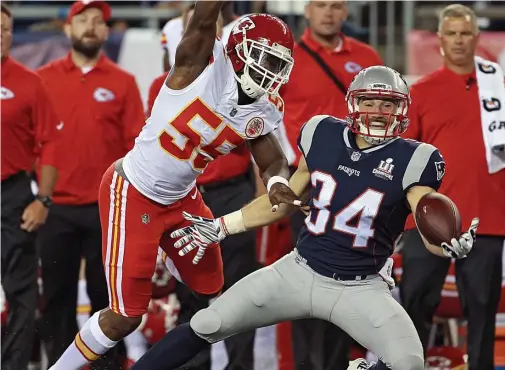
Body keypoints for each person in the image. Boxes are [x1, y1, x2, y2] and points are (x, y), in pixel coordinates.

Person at [131, 65, 480, 370]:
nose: (377, 111)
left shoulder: (415, 158)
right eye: (369, 102)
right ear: (353, 104)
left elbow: (427, 215)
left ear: (401, 110)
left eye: (387, 104)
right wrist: (222, 226)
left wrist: (449, 243)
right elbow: (283, 201)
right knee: (208, 322)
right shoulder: (322, 133)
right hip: (299, 270)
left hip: (360, 286)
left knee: (408, 362)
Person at [48, 2, 299, 369]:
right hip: (134, 192)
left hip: (183, 199)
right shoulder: (199, 65)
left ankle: (163, 248)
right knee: (125, 316)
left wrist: (277, 181)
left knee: (211, 286)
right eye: (265, 58)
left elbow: (272, 157)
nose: (270, 71)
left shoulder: (263, 107)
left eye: (278, 63)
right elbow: (202, 16)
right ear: (239, 49)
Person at [399, 4, 505, 370]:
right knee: (414, 305)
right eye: (451, 33)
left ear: (476, 38)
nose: (459, 40)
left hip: (486, 220)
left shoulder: (499, 87)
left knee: (481, 312)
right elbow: (403, 158)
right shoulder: (420, 92)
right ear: (440, 40)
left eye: (465, 33)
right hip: (427, 220)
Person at [35, 1, 146, 368]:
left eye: (98, 21)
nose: (90, 26)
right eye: (82, 20)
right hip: (57, 208)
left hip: (107, 211)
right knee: (56, 296)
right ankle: (56, 364)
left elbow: (136, 147)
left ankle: (110, 366)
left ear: (106, 31)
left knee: (108, 299)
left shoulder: (124, 82)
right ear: (67, 29)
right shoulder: (43, 79)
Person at [280, 2, 384, 367]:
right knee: (301, 287)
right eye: (321, 4)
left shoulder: (369, 58)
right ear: (307, 10)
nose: (328, 12)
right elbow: (263, 119)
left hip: (357, 190)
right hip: (306, 186)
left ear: (346, 12)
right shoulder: (287, 57)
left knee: (346, 285)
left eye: (337, 5)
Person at [0, 4, 60, 369]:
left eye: (5, 29)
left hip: (13, 194)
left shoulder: (29, 82)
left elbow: (50, 145)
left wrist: (44, 200)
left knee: (21, 292)